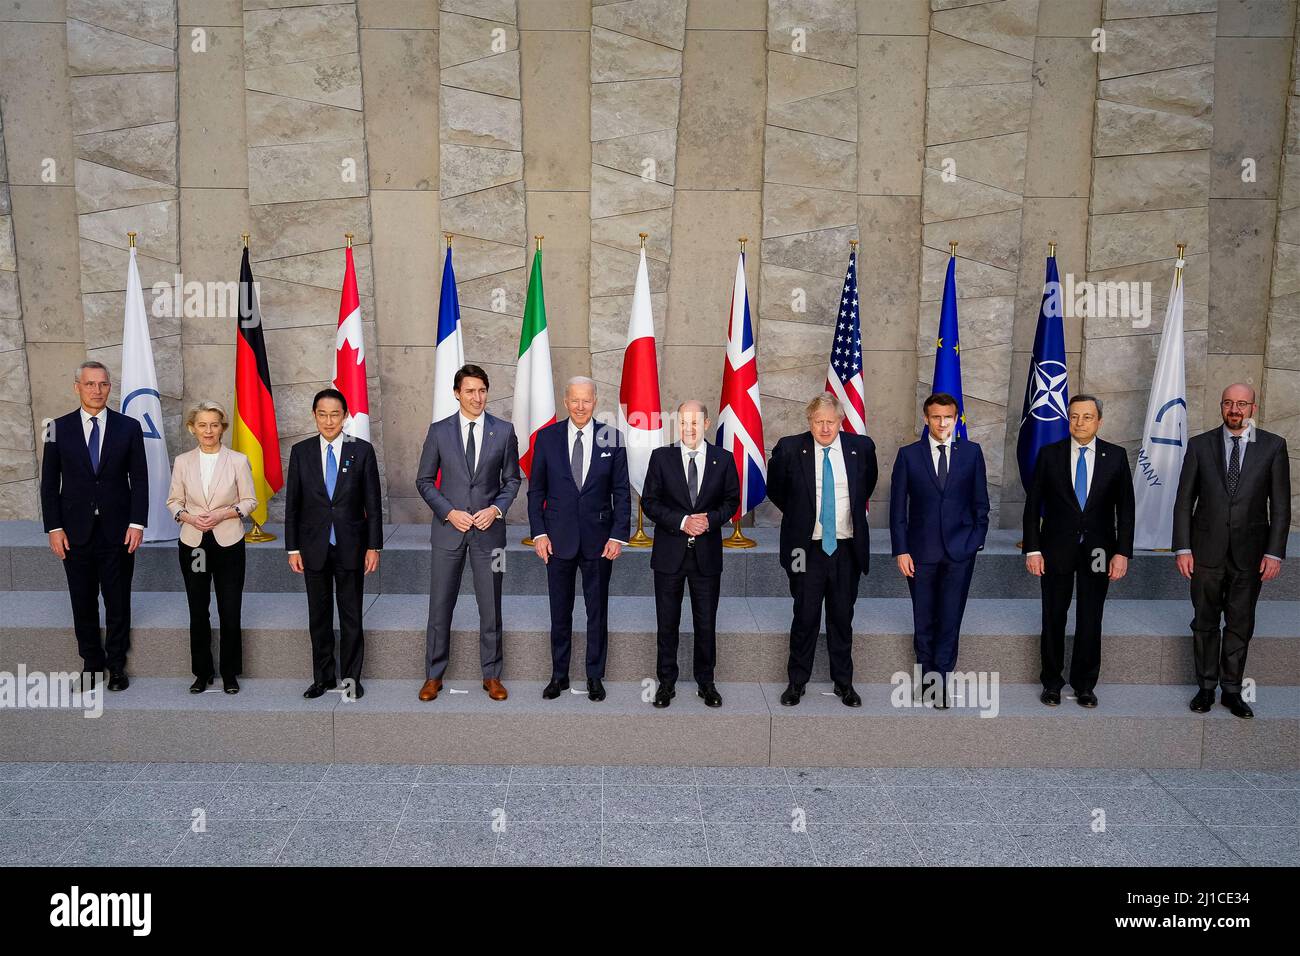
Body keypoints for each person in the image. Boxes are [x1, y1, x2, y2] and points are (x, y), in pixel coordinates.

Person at [1174, 383, 1290, 719]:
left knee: (1240, 623)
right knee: (1205, 621)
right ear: (1221, 406)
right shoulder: (1199, 445)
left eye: (1241, 403)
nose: (1234, 409)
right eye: (1228, 403)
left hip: (1251, 555)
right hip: (1205, 551)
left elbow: (1280, 507)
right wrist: (1183, 547)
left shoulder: (1273, 446)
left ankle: (1232, 691)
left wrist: (1274, 553)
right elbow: (1184, 502)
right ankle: (1206, 688)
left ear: (1253, 408)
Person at [414, 364, 521, 702]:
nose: (477, 397)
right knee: (440, 606)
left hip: (491, 538)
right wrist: (449, 512)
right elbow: (424, 481)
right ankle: (434, 675)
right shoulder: (439, 431)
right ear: (457, 393)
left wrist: (496, 509)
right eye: (470, 391)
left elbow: (512, 480)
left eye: (482, 390)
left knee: (491, 606)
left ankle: (492, 675)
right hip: (448, 533)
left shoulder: (504, 431)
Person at [40, 360, 148, 691]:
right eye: (90, 384)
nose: (97, 390)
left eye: (102, 384)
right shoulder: (56, 428)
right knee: (82, 599)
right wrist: (54, 528)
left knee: (118, 599)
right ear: (77, 387)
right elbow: (49, 484)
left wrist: (137, 523)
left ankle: (116, 665)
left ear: (109, 388)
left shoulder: (128, 427)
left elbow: (139, 479)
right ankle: (91, 662)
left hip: (118, 529)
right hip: (75, 531)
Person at [767, 392, 877, 708]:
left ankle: (844, 683)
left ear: (840, 421)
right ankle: (796, 683)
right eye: (819, 422)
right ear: (809, 422)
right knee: (804, 615)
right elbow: (776, 490)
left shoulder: (861, 448)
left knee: (842, 617)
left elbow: (865, 487)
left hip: (845, 548)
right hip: (805, 550)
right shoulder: (790, 448)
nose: (825, 428)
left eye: (830, 422)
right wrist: (803, 515)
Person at [1023, 394, 1134, 708]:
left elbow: (1126, 509)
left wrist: (1122, 552)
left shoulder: (1115, 456)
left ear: (1098, 420)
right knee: (1054, 616)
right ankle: (1052, 682)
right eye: (1074, 416)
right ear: (1067, 419)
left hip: (1099, 551)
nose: (1079, 423)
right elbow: (1032, 508)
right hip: (1056, 548)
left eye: (1087, 417)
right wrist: (1033, 549)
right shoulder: (1049, 455)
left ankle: (1085, 684)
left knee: (1090, 617)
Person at [527, 376, 630, 702]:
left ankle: (595, 676)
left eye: (587, 400)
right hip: (557, 540)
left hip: (599, 541)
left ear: (595, 400)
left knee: (597, 611)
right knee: (560, 611)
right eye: (575, 400)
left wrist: (618, 535)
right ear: (566, 400)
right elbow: (536, 491)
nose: (581, 406)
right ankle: (558, 675)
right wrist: (539, 533)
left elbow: (621, 492)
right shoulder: (546, 438)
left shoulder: (611, 438)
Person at [889, 392, 989, 708]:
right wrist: (901, 550)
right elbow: (897, 510)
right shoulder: (908, 456)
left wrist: (975, 542)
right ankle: (926, 678)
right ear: (926, 418)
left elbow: (981, 504)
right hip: (920, 552)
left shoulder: (971, 453)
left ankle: (941, 681)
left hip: (960, 552)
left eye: (948, 416)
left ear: (956, 418)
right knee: (924, 618)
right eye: (936, 416)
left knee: (950, 618)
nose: (942, 422)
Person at [640, 400, 740, 708]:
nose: (688, 428)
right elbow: (650, 502)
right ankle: (666, 683)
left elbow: (731, 500)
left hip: (706, 556)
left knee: (705, 622)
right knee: (667, 622)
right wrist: (683, 521)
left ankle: (706, 683)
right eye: (683, 422)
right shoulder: (661, 458)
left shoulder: (723, 459)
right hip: (670, 554)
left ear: (706, 424)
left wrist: (708, 520)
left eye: (695, 422)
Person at [284, 388, 382, 700]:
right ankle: (322, 678)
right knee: (319, 616)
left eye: (335, 414)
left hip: (351, 545)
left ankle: (352, 678)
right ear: (314, 415)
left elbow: (373, 505)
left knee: (351, 615)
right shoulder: (301, 452)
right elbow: (293, 506)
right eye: (323, 414)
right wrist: (293, 548)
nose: (329, 421)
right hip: (313, 547)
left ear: (345, 416)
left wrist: (373, 546)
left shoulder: (361, 450)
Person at [166, 402, 259, 695]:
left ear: (223, 427)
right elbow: (173, 502)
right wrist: (189, 517)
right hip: (194, 544)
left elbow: (249, 501)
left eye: (214, 425)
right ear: (192, 428)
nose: (209, 431)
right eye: (202, 425)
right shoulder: (182, 462)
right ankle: (202, 672)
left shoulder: (238, 461)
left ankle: (230, 673)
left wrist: (223, 514)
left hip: (229, 542)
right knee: (198, 609)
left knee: (229, 609)